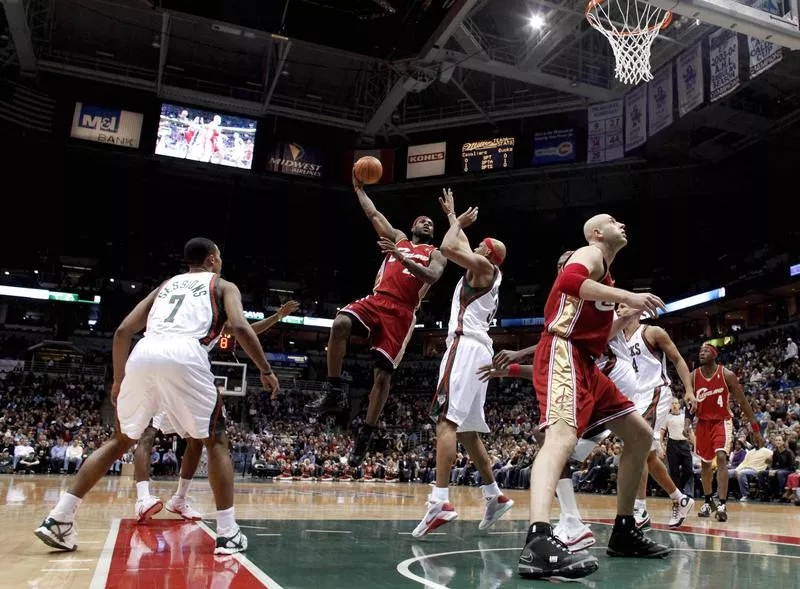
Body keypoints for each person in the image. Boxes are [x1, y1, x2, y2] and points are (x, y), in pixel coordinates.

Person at [34, 238, 279, 555]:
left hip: (143, 352)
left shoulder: (165, 286)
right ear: (213, 259)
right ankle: (229, 533)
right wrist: (265, 369)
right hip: (185, 353)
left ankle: (59, 517)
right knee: (215, 440)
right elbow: (241, 327)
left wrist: (119, 379)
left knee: (119, 439)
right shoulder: (224, 286)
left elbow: (123, 330)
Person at [515, 214, 670, 579]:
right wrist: (627, 296)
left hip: (586, 361)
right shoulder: (591, 252)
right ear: (598, 233)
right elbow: (570, 281)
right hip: (562, 351)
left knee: (640, 435)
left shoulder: (605, 275)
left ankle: (624, 529)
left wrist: (623, 314)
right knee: (561, 437)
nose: (623, 224)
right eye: (615, 221)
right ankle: (538, 539)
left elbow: (597, 339)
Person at [485, 250, 642, 552]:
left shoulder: (588, 299)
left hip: (611, 377)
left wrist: (627, 306)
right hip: (593, 375)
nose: (564, 270)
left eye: (567, 265)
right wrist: (515, 365)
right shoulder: (572, 303)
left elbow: (562, 341)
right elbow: (552, 347)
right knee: (633, 441)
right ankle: (584, 522)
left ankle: (585, 520)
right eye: (559, 266)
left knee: (557, 447)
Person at [306, 173, 447, 466]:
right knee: (340, 323)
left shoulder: (436, 253)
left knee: (382, 377)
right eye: (423, 220)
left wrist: (403, 258)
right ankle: (332, 389)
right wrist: (358, 189)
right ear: (412, 226)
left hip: (403, 312)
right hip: (377, 298)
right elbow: (373, 213)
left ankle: (365, 437)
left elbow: (432, 277)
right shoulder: (398, 238)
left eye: (431, 223)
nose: (427, 223)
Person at [133, 300, 299, 523]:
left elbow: (247, 330)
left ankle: (179, 499)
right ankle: (142, 499)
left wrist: (278, 316)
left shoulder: (214, 321)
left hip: (186, 374)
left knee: (197, 439)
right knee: (147, 435)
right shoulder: (179, 315)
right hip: (161, 368)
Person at [412, 189, 513, 537]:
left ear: (489, 253)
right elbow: (463, 245)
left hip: (465, 347)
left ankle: (440, 502)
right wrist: (454, 216)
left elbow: (451, 249)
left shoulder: (484, 267)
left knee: (446, 422)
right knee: (468, 432)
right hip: (479, 351)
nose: (478, 247)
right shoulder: (485, 269)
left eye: (482, 245)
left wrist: (457, 222)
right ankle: (494, 495)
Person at [622, 307, 697, 529]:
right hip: (634, 397)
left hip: (656, 391)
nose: (618, 308)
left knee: (636, 446)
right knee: (650, 458)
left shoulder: (652, 332)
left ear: (636, 310)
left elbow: (677, 359)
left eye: (622, 305)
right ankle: (680, 499)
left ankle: (640, 508)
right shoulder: (617, 339)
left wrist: (689, 390)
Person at [694, 343, 765, 522]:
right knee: (705, 464)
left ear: (715, 354)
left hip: (721, 421)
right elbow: (688, 396)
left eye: (706, 351)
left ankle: (722, 504)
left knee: (721, 457)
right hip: (702, 423)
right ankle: (708, 501)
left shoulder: (726, 375)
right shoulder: (693, 376)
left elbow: (743, 403)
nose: (702, 353)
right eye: (700, 351)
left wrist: (755, 430)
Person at [663, 398, 695, 498]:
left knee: (688, 469)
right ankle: (679, 494)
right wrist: (660, 445)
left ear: (679, 405)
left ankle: (681, 487)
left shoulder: (684, 417)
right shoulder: (667, 417)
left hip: (684, 443)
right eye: (672, 403)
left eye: (676, 403)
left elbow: (690, 432)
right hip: (672, 444)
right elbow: (662, 432)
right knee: (674, 472)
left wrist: (695, 446)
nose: (674, 405)